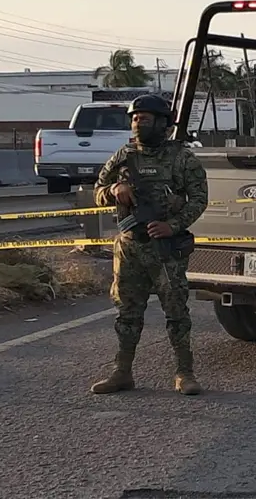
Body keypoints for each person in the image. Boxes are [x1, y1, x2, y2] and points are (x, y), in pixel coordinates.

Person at [90, 94, 209, 396]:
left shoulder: (182, 158)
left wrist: (173, 225)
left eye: (144, 118)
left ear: (162, 123)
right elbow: (98, 190)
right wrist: (115, 189)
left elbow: (199, 200)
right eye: (134, 118)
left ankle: (185, 373)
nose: (137, 123)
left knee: (176, 312)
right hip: (130, 247)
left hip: (165, 249)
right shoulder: (123, 155)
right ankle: (122, 372)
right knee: (127, 313)